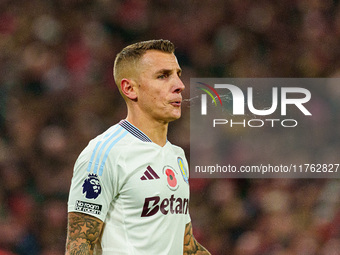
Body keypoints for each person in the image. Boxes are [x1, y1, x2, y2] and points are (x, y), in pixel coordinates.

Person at [65, 39, 211, 255]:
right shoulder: (105, 153)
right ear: (130, 88)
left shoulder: (176, 156)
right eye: (163, 76)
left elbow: (185, 245)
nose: (179, 85)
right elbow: (79, 244)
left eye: (178, 74)